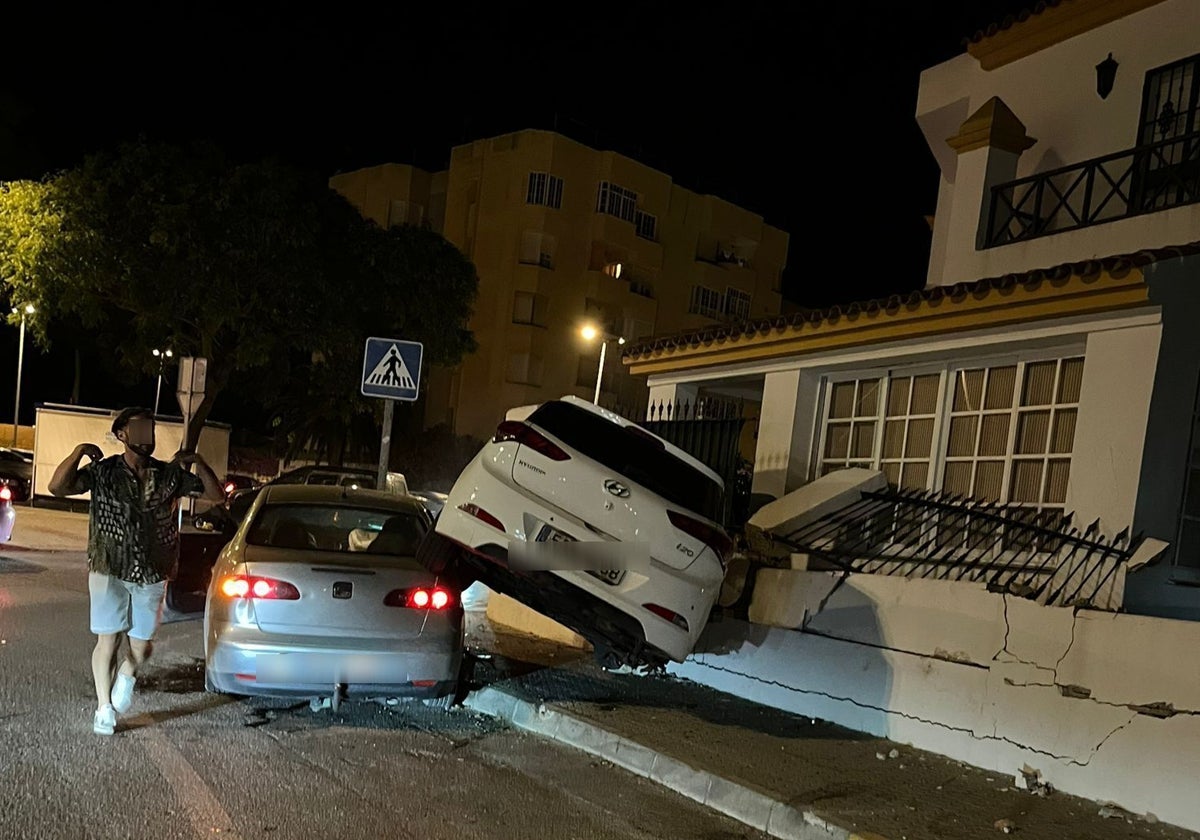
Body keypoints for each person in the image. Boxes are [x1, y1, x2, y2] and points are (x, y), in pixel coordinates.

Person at [48, 407, 225, 735]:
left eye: (151, 429)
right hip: (108, 567)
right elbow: (58, 487)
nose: (148, 435)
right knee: (108, 641)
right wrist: (77, 453)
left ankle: (127, 674)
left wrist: (199, 462)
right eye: (140, 429)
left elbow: (216, 496)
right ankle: (104, 708)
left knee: (141, 647)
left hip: (152, 572)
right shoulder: (102, 472)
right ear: (122, 435)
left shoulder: (169, 475)